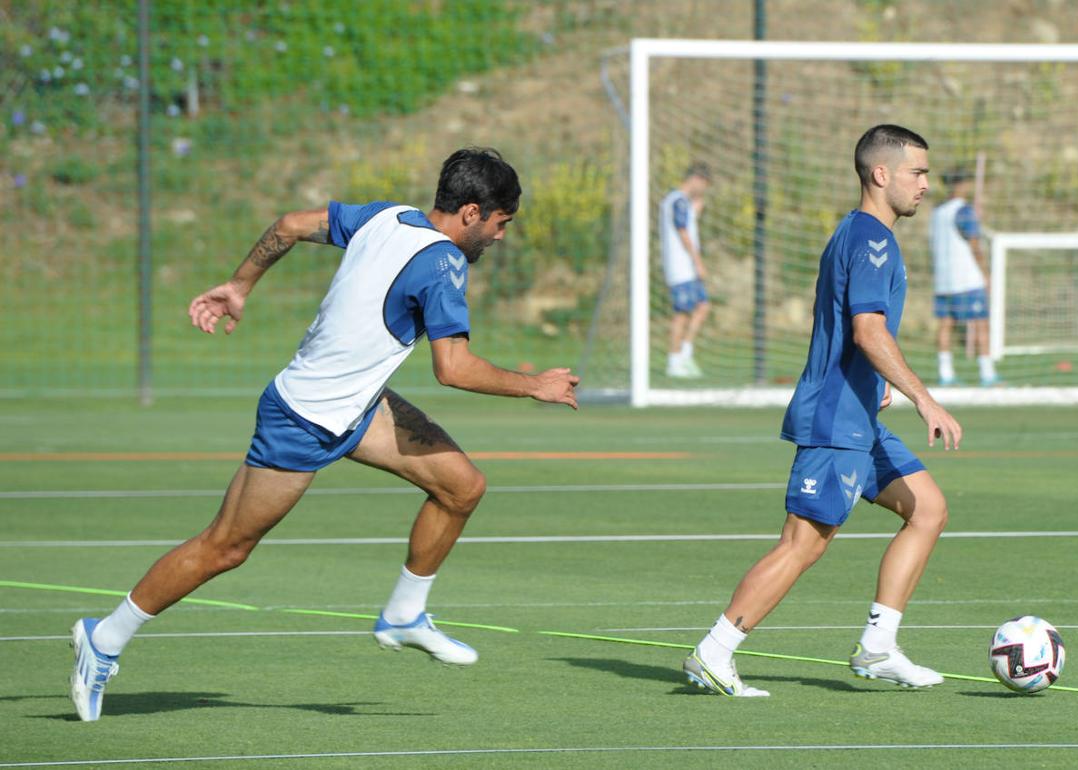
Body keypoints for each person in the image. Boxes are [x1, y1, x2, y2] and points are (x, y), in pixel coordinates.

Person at [68, 148, 580, 721]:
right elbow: (453, 368)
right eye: (500, 223)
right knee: (225, 547)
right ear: (470, 212)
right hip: (304, 420)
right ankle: (105, 637)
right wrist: (534, 385)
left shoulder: (389, 215)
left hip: (360, 410)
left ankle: (405, 615)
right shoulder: (443, 266)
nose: (500, 236)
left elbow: (289, 225)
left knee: (462, 487)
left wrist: (240, 285)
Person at [683, 125, 962, 697]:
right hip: (836, 419)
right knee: (802, 544)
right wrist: (923, 396)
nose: (926, 186)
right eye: (917, 173)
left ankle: (879, 647)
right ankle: (715, 651)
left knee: (928, 508)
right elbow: (866, 329)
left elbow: (856, 333)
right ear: (881, 174)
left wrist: (879, 382)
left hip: (858, 413)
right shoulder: (871, 240)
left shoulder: (863, 234)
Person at [929, 168, 998, 386]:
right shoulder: (964, 211)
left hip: (943, 279)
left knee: (945, 324)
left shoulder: (937, 213)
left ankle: (945, 373)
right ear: (961, 185)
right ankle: (987, 374)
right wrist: (986, 273)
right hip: (967, 278)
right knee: (980, 323)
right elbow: (975, 244)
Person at [658, 163, 712, 378]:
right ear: (696, 179)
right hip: (681, 267)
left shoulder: (680, 202)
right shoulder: (678, 201)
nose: (704, 190)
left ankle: (685, 354)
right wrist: (698, 261)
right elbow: (683, 233)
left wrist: (694, 214)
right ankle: (674, 360)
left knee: (703, 306)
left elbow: (685, 225)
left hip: (686, 267)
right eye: (704, 184)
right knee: (681, 313)